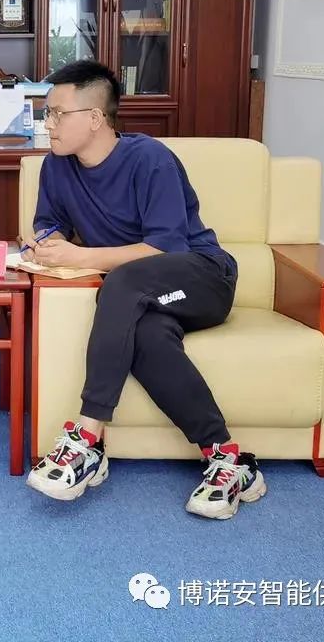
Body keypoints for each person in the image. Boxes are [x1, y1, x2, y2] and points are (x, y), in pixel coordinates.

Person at [23, 60, 267, 520]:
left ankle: (87, 437)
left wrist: (80, 257)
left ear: (95, 118)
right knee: (148, 337)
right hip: (144, 297)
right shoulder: (56, 166)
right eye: (46, 113)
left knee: (124, 280)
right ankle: (229, 459)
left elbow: (164, 248)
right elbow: (49, 221)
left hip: (203, 278)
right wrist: (46, 242)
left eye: (57, 113)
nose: (47, 123)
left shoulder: (150, 159)